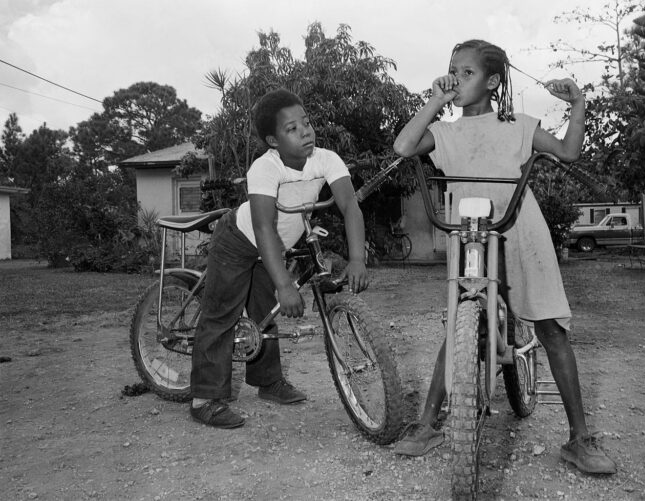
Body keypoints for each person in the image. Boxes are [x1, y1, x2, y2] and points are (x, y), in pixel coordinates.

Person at [391, 39, 617, 474]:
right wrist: (436, 100)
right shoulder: (444, 132)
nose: (456, 79)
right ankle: (427, 423)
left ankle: (579, 437)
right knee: (459, 323)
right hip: (470, 235)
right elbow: (403, 147)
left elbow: (568, 152)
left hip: (520, 230)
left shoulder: (518, 125)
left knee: (550, 326)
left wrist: (578, 104)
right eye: (451, 70)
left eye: (466, 73)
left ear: (493, 82)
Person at [189, 88, 369, 429]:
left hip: (273, 246)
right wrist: (285, 284)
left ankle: (268, 382)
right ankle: (204, 399)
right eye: (292, 128)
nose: (305, 131)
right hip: (240, 240)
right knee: (222, 312)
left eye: (306, 122)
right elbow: (263, 228)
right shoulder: (265, 168)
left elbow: (350, 206)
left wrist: (357, 259)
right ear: (273, 140)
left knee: (264, 312)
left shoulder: (326, 159)